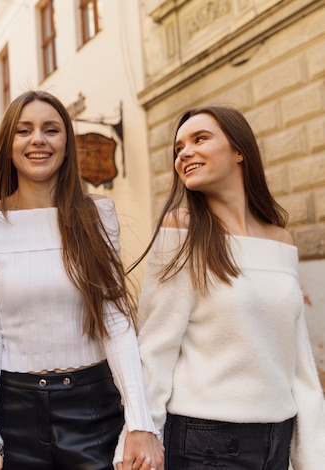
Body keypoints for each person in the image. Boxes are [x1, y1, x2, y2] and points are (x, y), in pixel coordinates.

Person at [0, 90, 164, 470]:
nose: (38, 138)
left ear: (67, 145)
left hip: (92, 406)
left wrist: (140, 421)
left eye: (51, 129)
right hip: (14, 408)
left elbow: (115, 320)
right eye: (24, 130)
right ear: (8, 145)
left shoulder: (97, 216)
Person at [131, 105, 325, 468]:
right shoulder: (181, 230)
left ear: (239, 151)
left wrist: (313, 454)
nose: (185, 152)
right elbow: (155, 348)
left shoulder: (281, 240)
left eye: (200, 139)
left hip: (277, 438)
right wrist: (144, 433)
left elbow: (296, 360)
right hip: (205, 442)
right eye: (178, 148)